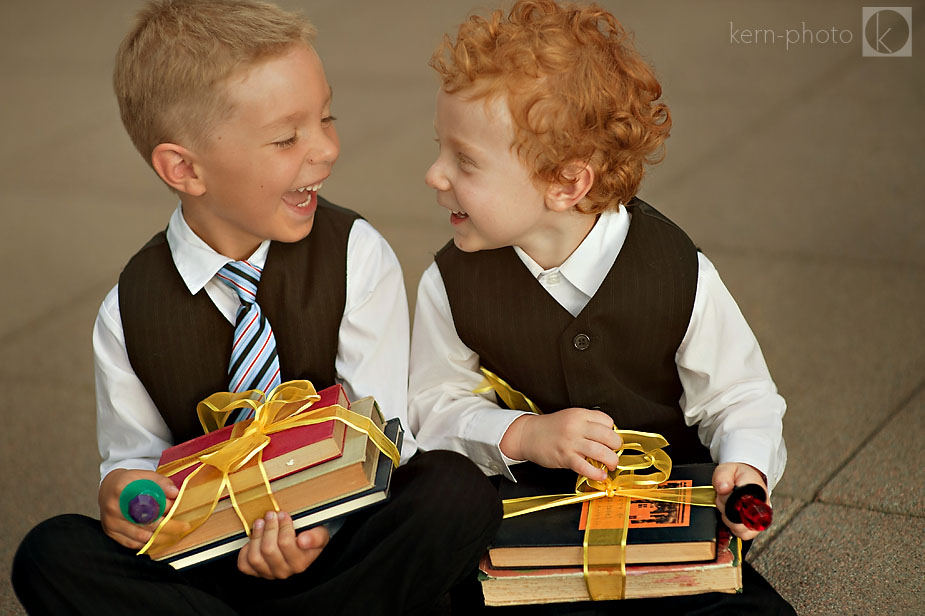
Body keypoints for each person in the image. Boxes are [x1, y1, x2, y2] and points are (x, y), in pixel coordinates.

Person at [11, 1, 500, 614]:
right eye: (286, 138)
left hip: (342, 543)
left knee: (456, 493)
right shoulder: (128, 311)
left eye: (327, 118)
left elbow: (385, 438)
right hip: (210, 564)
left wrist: (316, 527)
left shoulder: (355, 255)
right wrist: (126, 492)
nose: (324, 150)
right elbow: (136, 460)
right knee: (49, 554)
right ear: (184, 168)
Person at [408, 0, 795, 613]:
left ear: (567, 184)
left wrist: (744, 467)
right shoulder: (450, 281)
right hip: (526, 532)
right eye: (441, 149)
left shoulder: (674, 270)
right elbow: (430, 410)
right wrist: (524, 434)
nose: (434, 174)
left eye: (465, 162)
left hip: (663, 523)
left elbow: (738, 395)